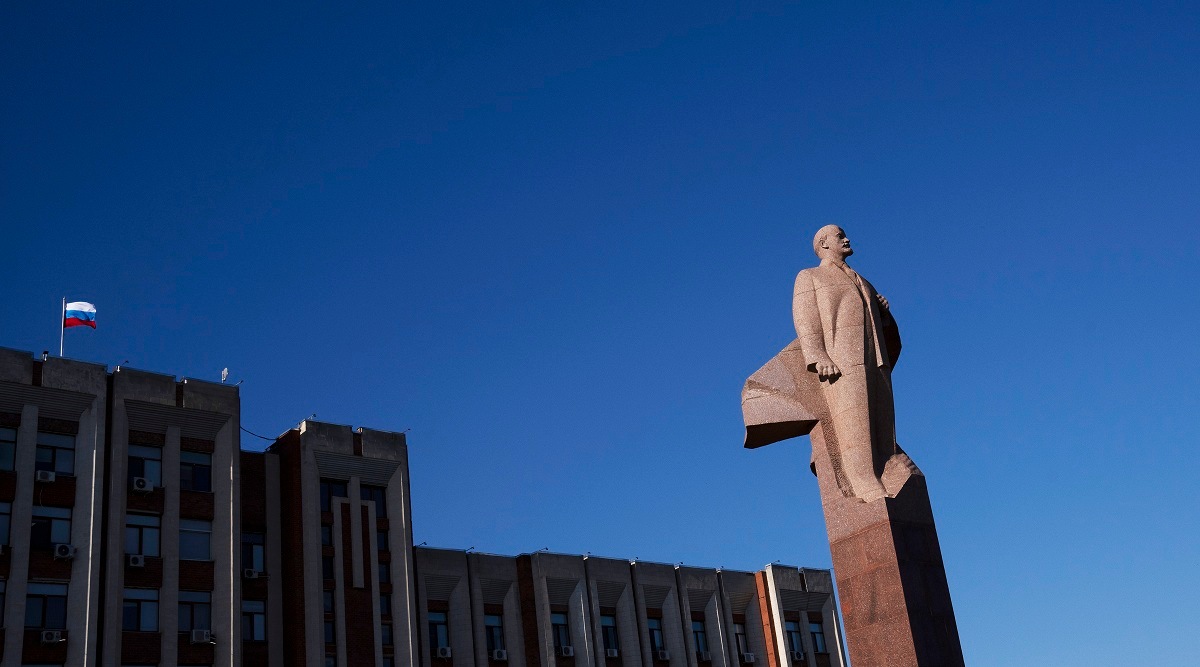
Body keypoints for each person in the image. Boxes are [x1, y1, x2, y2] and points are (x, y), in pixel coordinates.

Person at [792, 225, 902, 502]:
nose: (847, 239)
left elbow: (881, 327)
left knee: (882, 421)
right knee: (854, 424)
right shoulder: (810, 277)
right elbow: (806, 319)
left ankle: (887, 469)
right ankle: (862, 481)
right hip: (841, 363)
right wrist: (818, 355)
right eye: (839, 236)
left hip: (876, 361)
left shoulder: (864, 281)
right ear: (824, 244)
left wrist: (884, 315)